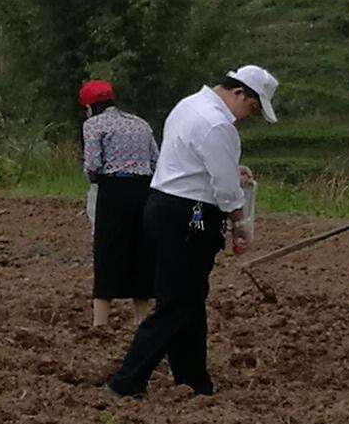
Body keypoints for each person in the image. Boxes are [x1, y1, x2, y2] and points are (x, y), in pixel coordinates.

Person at [107, 66, 278, 400]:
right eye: (252, 108)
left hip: (168, 207)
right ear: (240, 93)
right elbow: (227, 191)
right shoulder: (217, 124)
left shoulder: (188, 105)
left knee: (191, 297)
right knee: (177, 302)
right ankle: (126, 382)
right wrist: (240, 226)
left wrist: (231, 171)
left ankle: (194, 380)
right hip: (192, 215)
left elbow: (197, 164)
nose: (248, 116)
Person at [78, 79, 157, 316]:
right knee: (141, 251)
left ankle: (100, 321)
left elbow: (92, 166)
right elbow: (156, 160)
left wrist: (96, 182)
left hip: (113, 192)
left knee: (107, 252)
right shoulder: (140, 123)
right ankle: (142, 318)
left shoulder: (94, 124)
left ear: (90, 107)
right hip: (144, 191)